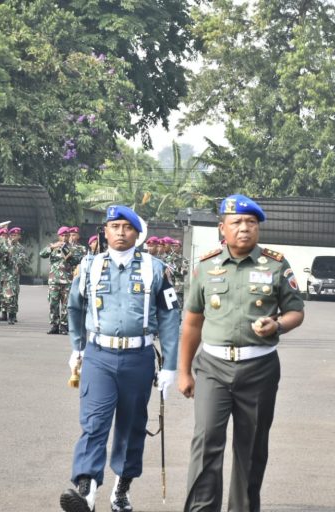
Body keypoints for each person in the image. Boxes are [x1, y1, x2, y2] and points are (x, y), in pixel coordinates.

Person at [178, 194, 305, 512]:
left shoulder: (276, 264)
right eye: (236, 222)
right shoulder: (206, 266)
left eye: (251, 222)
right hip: (212, 367)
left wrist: (277, 325)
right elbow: (192, 323)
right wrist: (183, 371)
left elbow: (296, 312)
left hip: (259, 368)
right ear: (222, 228)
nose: (244, 228)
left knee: (251, 448)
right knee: (206, 441)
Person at [61, 205, 180, 512]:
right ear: (105, 231)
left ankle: (121, 489)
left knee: (132, 426)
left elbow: (170, 318)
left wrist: (169, 366)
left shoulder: (156, 269)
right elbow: (75, 307)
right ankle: (86, 490)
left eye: (127, 227)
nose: (121, 232)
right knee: (94, 422)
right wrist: (77, 348)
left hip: (138, 357)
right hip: (99, 355)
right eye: (114, 227)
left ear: (138, 234)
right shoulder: (89, 266)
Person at [40, 227, 74, 334]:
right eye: (62, 235)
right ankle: (55, 324)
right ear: (59, 236)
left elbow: (77, 260)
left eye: (66, 235)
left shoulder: (73, 247)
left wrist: (68, 253)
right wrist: (52, 247)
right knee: (53, 303)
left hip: (67, 280)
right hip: (54, 280)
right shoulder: (53, 246)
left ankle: (64, 325)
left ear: (69, 236)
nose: (64, 238)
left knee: (66, 304)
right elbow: (42, 254)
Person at [4, 227, 30, 324]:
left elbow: (25, 261)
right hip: (3, 273)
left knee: (13, 295)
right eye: (12, 235)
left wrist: (18, 261)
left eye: (16, 235)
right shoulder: (5, 245)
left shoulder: (21, 248)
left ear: (19, 236)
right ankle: (3, 313)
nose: (14, 237)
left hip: (13, 274)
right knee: (3, 295)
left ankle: (12, 314)